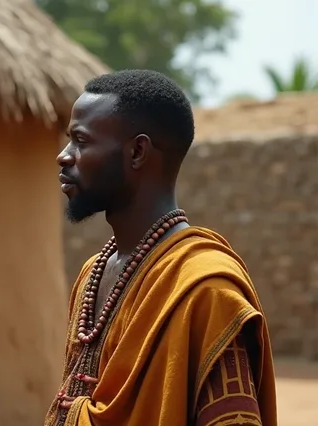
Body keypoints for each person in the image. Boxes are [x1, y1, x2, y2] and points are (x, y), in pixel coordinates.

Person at [45, 69, 277, 426]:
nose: (64, 156)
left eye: (81, 140)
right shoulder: (93, 274)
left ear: (137, 151)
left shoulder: (207, 291)